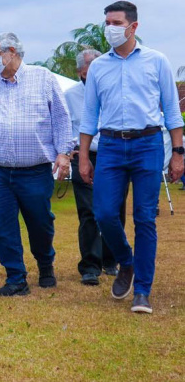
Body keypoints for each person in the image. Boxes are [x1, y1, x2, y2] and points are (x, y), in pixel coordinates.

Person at [79, 0, 185, 314]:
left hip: (148, 144)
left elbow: (173, 113)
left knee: (144, 217)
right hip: (110, 146)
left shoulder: (157, 61)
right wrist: (83, 157)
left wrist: (178, 153)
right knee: (104, 214)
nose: (110, 28)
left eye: (116, 23)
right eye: (107, 23)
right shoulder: (99, 67)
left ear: (133, 26)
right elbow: (89, 116)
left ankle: (142, 291)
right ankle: (127, 262)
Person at [0, 32, 73, 296]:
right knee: (4, 227)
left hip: (35, 171)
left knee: (40, 223)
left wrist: (64, 153)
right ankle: (16, 278)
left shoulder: (43, 78)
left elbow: (61, 118)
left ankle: (45, 264)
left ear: (12, 52)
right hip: (0, 172)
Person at [65, 49, 125, 284]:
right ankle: (90, 265)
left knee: (114, 210)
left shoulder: (116, 90)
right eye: (92, 67)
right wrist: (71, 151)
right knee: (89, 211)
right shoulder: (70, 96)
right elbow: (65, 128)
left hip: (114, 155)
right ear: (80, 71)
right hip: (84, 155)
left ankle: (111, 260)